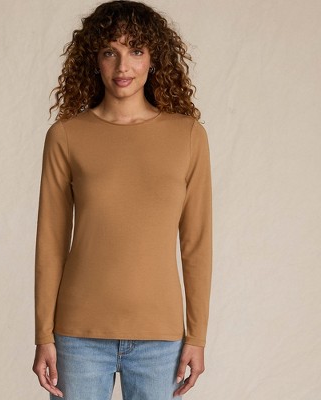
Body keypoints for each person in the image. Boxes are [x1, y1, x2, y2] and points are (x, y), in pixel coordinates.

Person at [32, 1, 213, 399]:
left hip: (160, 339)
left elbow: (196, 244)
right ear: (94, 60)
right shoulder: (66, 136)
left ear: (154, 59)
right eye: (109, 52)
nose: (122, 66)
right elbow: (50, 243)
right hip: (78, 336)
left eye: (136, 50)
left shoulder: (187, 136)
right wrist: (43, 334)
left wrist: (197, 336)